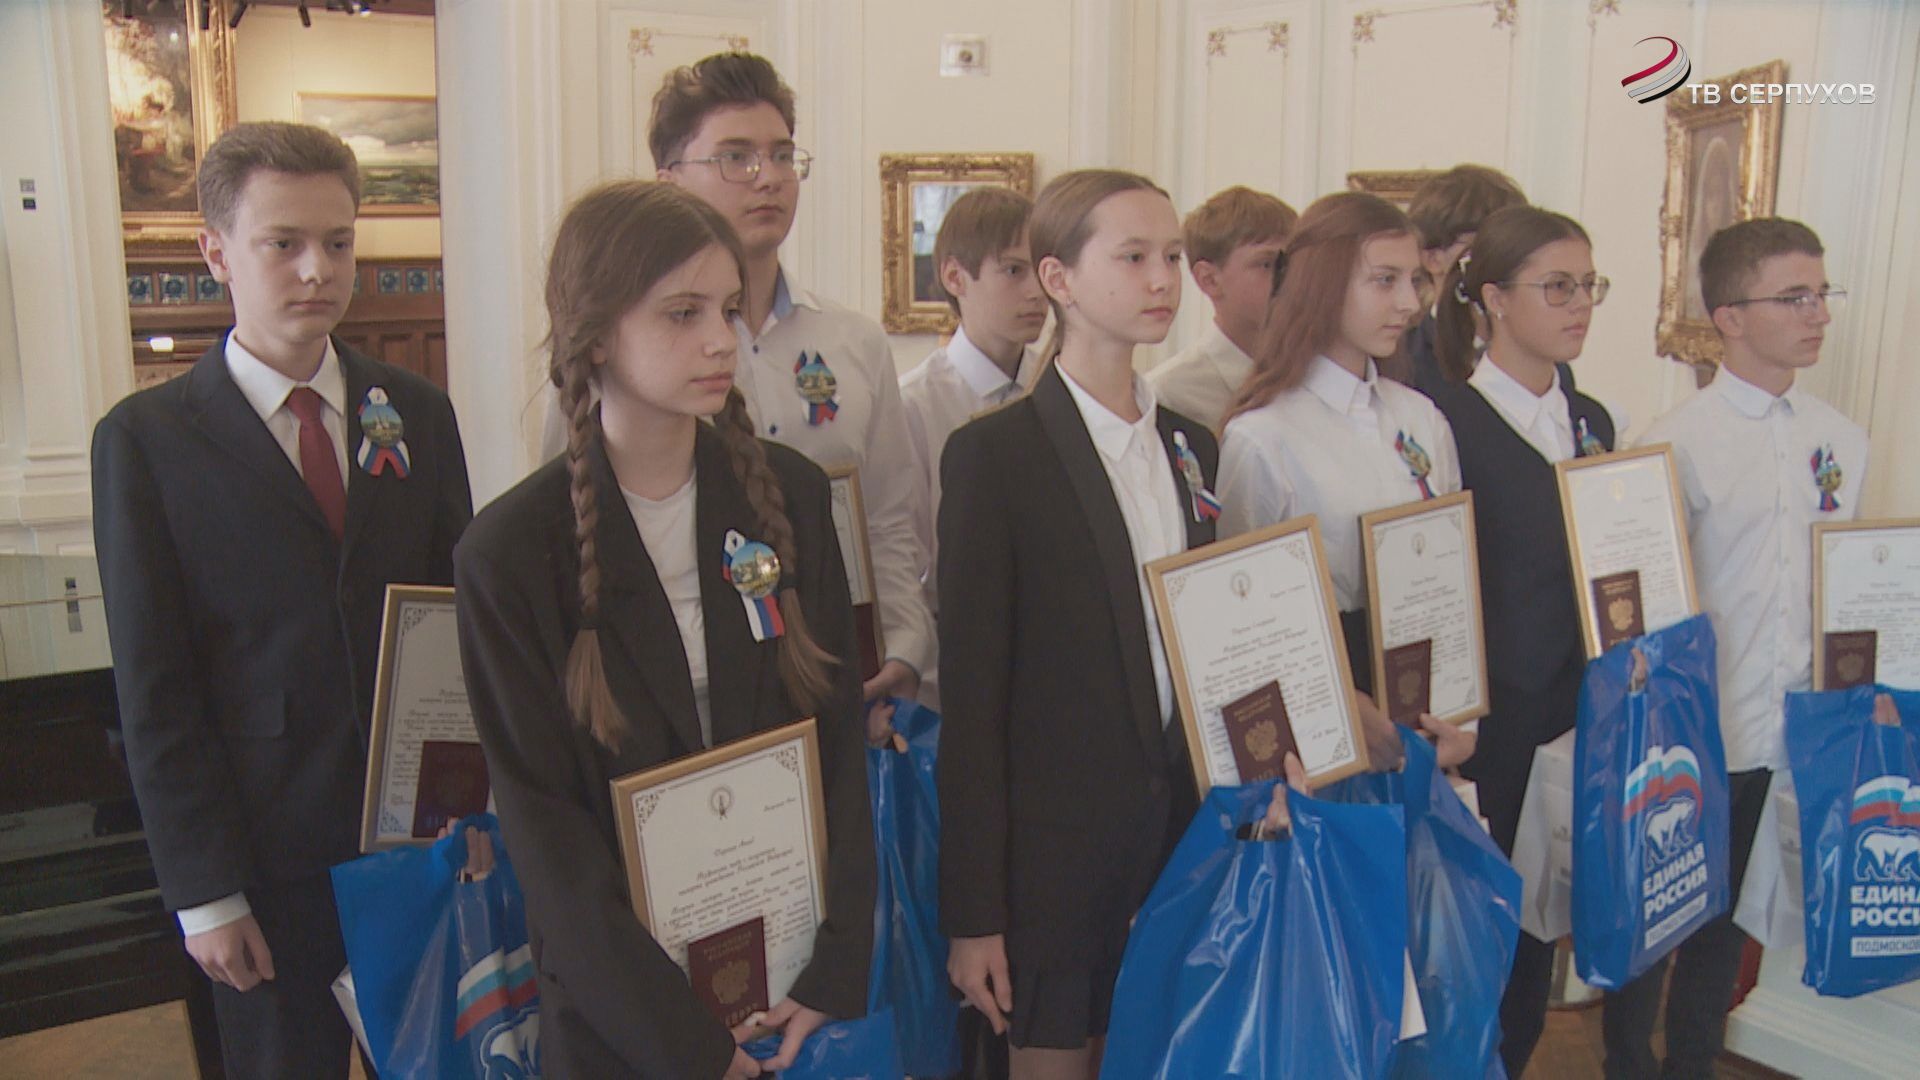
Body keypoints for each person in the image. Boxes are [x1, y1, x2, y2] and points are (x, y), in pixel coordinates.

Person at [454, 180, 875, 1078]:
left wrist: (836, 964)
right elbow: (548, 838)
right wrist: (688, 1047)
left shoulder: (792, 496)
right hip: (629, 1017)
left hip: (792, 982)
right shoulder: (510, 553)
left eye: (728, 308)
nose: (721, 339)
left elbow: (838, 743)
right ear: (597, 334)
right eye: (682, 313)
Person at [91, 121, 474, 1077]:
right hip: (263, 857)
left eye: (339, 243)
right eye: (284, 244)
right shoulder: (148, 440)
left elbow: (455, 622)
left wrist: (475, 812)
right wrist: (205, 890)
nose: (319, 269)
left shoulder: (415, 412)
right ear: (216, 250)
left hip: (409, 844)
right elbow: (155, 684)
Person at [937, 169, 1220, 1080]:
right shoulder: (996, 455)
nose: (1162, 280)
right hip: (1052, 861)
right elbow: (973, 703)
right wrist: (974, 912)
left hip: (1176, 832)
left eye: (1172, 257)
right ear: (1058, 280)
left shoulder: (1190, 444)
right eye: (1133, 257)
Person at [1613, 218, 1865, 1079]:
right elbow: (1639, 600)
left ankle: (1691, 1066)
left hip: (1785, 729)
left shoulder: (1840, 438)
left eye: (1821, 294)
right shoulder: (1674, 438)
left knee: (1728, 933)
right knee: (1657, 927)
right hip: (1693, 729)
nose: (1818, 314)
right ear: (1728, 315)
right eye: (1794, 297)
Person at [649, 52, 935, 726]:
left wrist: (905, 641)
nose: (768, 179)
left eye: (782, 156)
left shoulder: (852, 342)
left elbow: (891, 518)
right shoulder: (634, 355)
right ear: (668, 182)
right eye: (736, 157)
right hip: (688, 687)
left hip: (839, 667)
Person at [1422, 203, 1615, 1077]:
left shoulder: (1594, 419)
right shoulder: (1446, 425)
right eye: (1557, 287)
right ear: (1494, 298)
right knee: (1473, 953)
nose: (1578, 305)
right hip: (1488, 731)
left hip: (1577, 724)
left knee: (1540, 948)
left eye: (1588, 286)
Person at [1217, 191, 1462, 699]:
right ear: (1322, 285)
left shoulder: (1420, 417)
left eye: (1413, 280)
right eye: (1384, 280)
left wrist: (1461, 706)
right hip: (1321, 689)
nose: (1410, 303)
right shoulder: (1265, 437)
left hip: (1425, 680)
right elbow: (1247, 620)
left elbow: (1450, 575)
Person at [899, 185, 1048, 591]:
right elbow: (907, 556)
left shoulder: (1055, 387)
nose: (1037, 291)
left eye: (1042, 270)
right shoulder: (914, 405)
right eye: (1014, 270)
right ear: (954, 277)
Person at [1145, 185, 1296, 432]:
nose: (1289, 278)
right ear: (1210, 280)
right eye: (1267, 264)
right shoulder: (1169, 396)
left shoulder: (1314, 378)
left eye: (1294, 263)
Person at [1394, 164, 1527, 393]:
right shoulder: (1401, 362)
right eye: (1482, 246)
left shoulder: (1539, 358)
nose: (1501, 260)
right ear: (1432, 258)